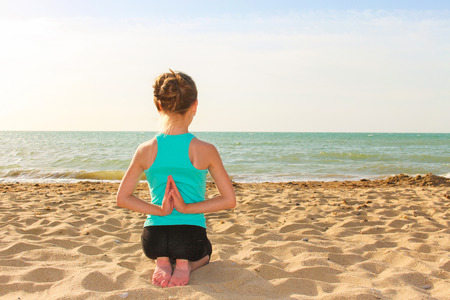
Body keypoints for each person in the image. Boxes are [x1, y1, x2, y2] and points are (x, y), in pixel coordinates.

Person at [116, 70, 236, 288]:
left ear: (158, 106)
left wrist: (160, 211)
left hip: (153, 239)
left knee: (163, 247)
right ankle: (185, 265)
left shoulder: (145, 149)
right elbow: (229, 200)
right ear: (195, 105)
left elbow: (123, 198)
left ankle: (162, 261)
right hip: (191, 238)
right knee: (206, 253)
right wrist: (186, 208)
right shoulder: (206, 150)